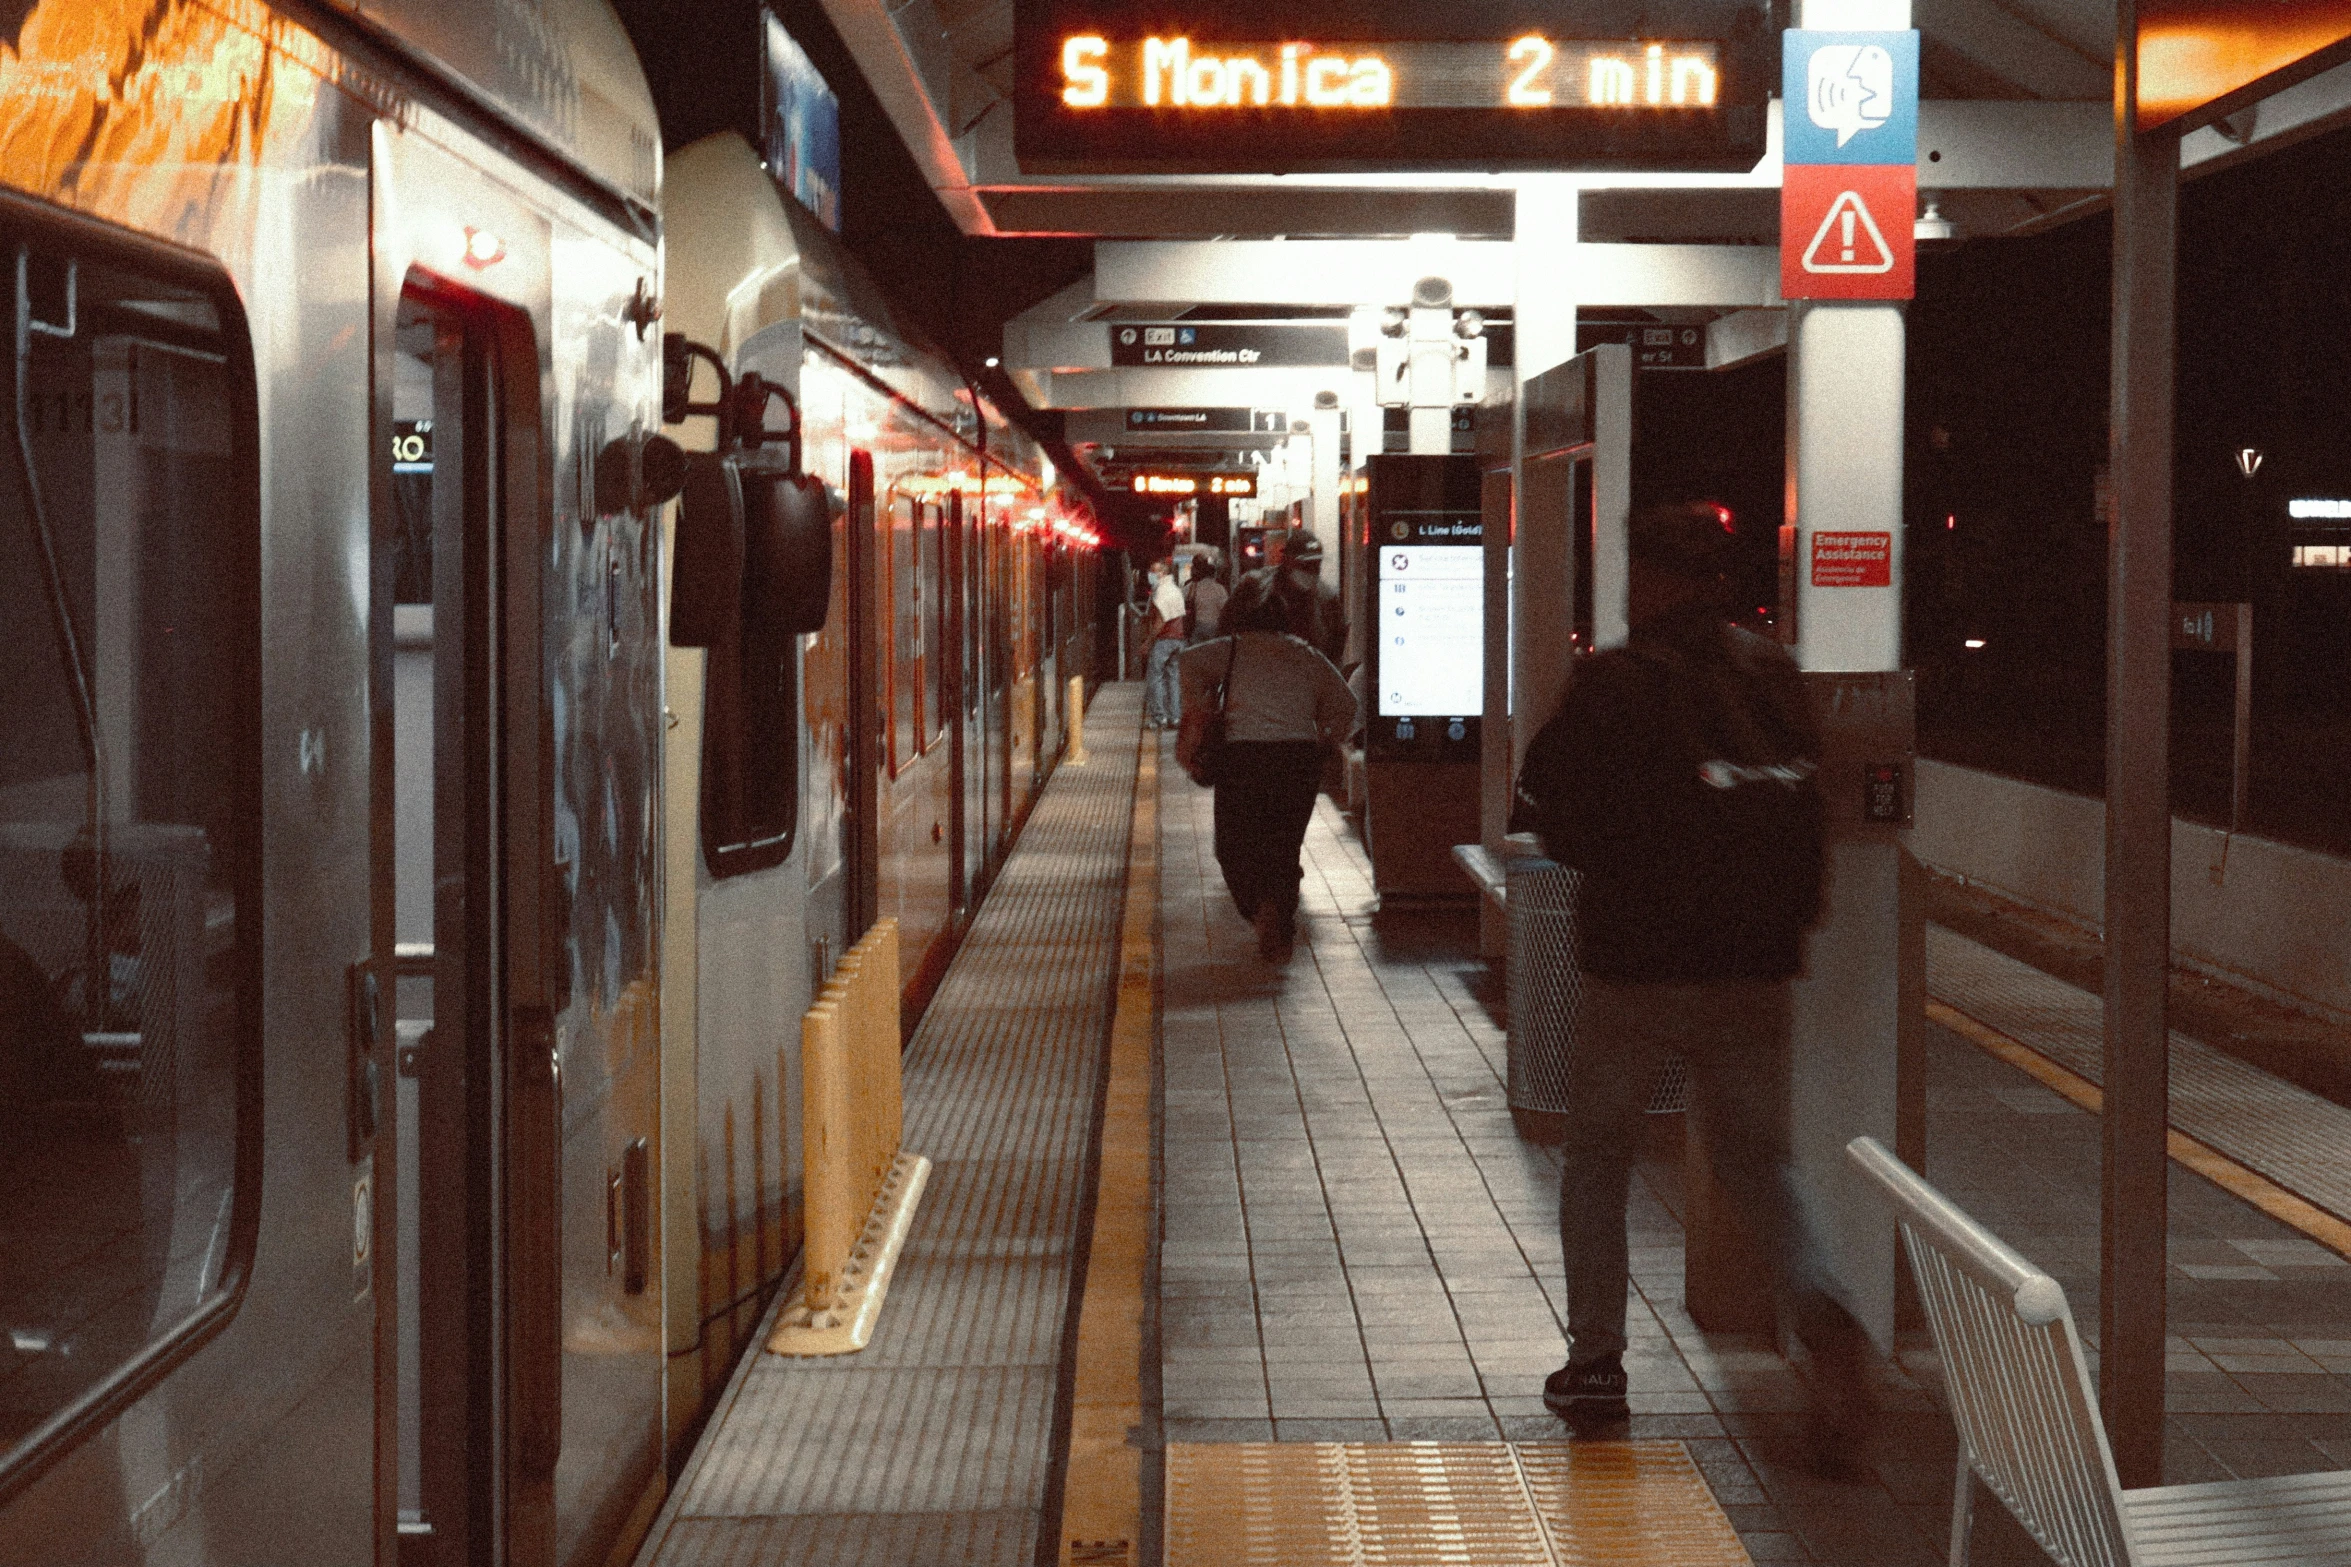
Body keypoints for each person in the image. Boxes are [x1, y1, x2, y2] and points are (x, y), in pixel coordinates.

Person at [1515, 500, 1872, 1473]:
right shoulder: (1770, 671)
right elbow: (1816, 817)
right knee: (1760, 1164)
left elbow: (1553, 819)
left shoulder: (1612, 681)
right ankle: (1819, 1303)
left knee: (1596, 1159)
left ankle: (1595, 1363)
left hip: (1635, 968)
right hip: (1754, 966)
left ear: (1647, 576)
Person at [1176, 573, 1356, 963]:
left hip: (1244, 759)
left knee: (1233, 846)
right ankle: (1279, 921)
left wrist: (1200, 708)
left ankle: (1260, 911)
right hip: (1298, 759)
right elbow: (1346, 705)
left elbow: (1188, 661)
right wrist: (1326, 737)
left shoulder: (1233, 648)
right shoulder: (1306, 654)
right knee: (1283, 845)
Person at [1270, 532, 1346, 668]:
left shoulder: (1327, 599)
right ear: (1287, 561)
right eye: (1305, 565)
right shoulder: (1263, 592)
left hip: (1311, 680)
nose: (1312, 571)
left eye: (1316, 565)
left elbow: (1335, 650)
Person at [1144, 558, 1188, 728]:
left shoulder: (1162, 591)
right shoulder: (1175, 589)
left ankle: (1159, 717)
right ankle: (1175, 717)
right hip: (1178, 640)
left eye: (1153, 572)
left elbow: (1160, 620)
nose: (1151, 575)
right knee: (1173, 679)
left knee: (1155, 677)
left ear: (1162, 573)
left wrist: (1148, 642)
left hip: (1164, 640)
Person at [1183, 553, 1228, 646]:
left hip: (1195, 629)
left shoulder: (1189, 588)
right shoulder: (1219, 589)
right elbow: (1225, 610)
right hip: (1214, 629)